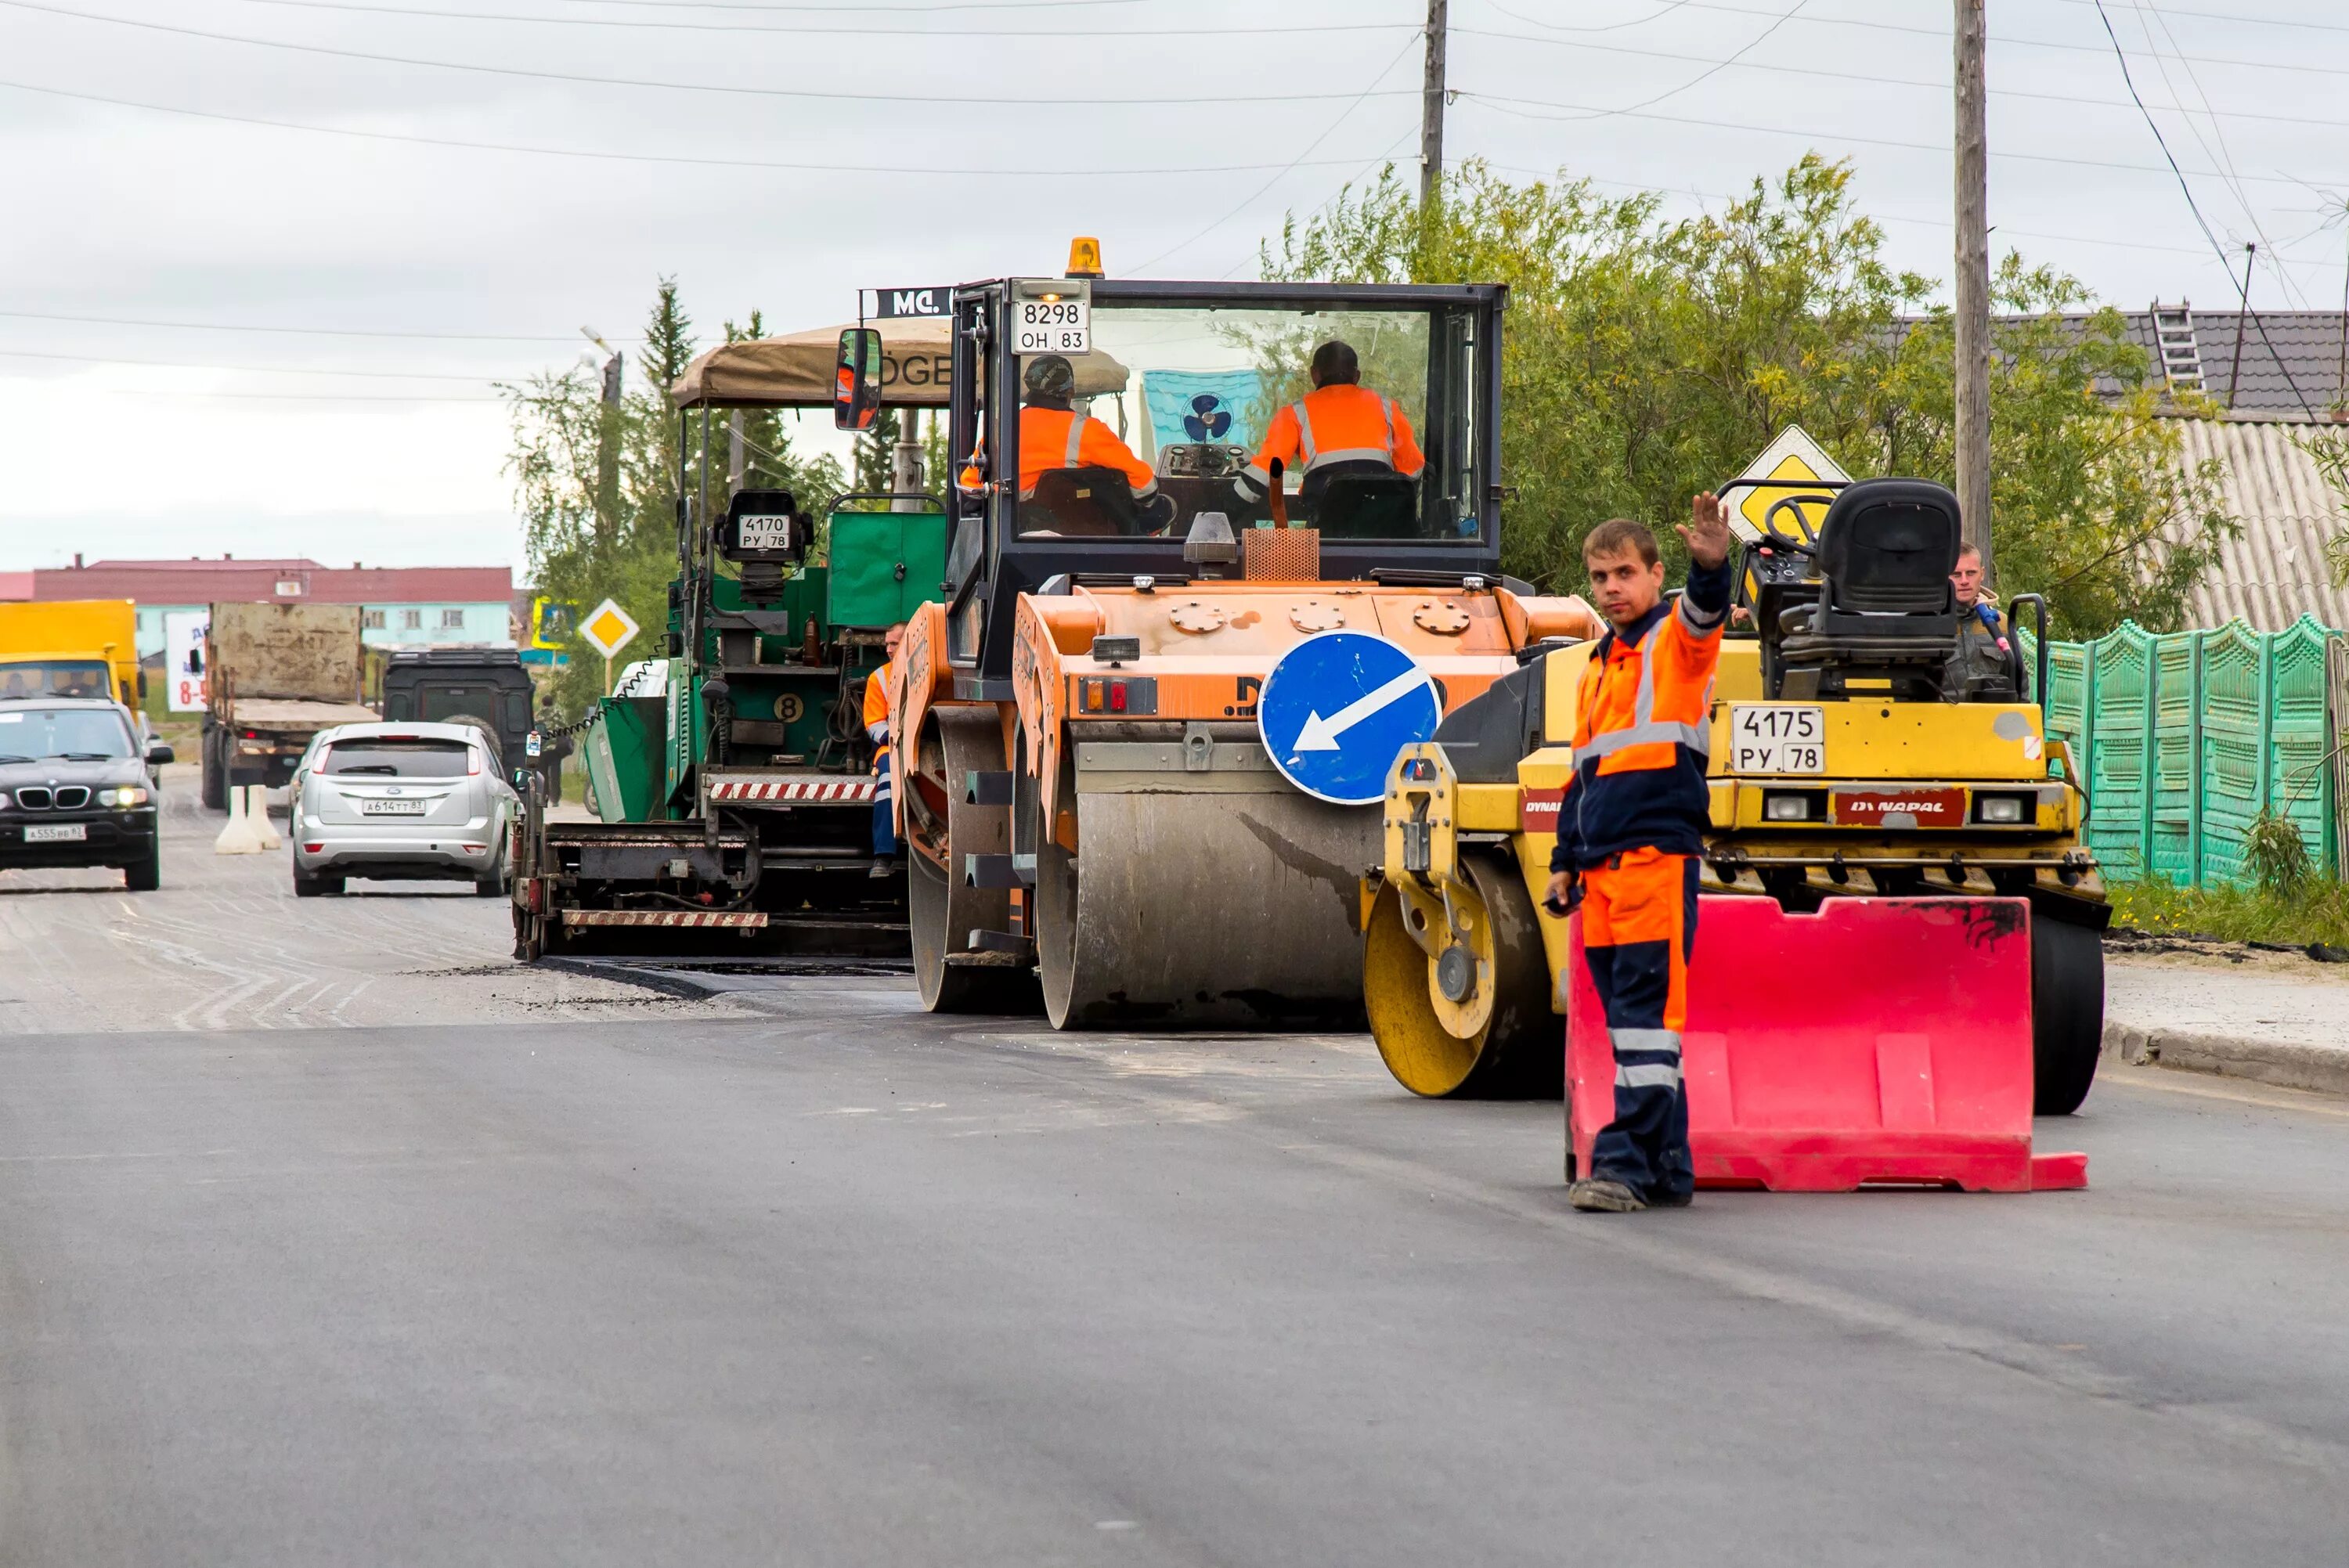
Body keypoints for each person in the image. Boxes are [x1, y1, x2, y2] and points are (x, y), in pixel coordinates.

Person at [1543, 496, 1734, 1214]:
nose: (1611, 587)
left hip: (1657, 862)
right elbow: (1583, 771)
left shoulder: (1674, 648)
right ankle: (1669, 1169)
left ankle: (1622, 1166)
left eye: (1625, 572)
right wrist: (1565, 858)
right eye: (1599, 576)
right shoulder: (1598, 665)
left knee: (1644, 1024)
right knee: (1636, 1028)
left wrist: (1712, 565)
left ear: (1658, 576)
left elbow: (1706, 613)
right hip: (1604, 873)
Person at [1236, 340, 1425, 510]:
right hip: (1382, 525)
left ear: (1314, 374)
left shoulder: (1295, 413)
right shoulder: (1387, 407)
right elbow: (1414, 469)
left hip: (1327, 529)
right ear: (1357, 376)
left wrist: (1229, 504)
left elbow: (1265, 472)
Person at [1016, 355, 1160, 512]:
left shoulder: (1004, 430)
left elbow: (985, 486)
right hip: (1070, 529)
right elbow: (1146, 486)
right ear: (1070, 392)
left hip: (1008, 529)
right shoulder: (1086, 430)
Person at [864, 622, 907, 874]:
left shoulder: (932, 671)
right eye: (887, 645)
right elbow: (873, 724)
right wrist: (899, 738)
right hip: (890, 749)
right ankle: (883, 857)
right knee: (888, 782)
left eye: (895, 643)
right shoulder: (879, 677)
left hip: (928, 745)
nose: (889, 650)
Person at [1947, 543, 2015, 698]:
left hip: (1989, 719)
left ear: (1982, 574)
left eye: (1971, 573)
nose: (1964, 581)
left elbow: (2018, 683)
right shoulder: (1930, 624)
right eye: (1956, 575)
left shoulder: (2000, 624)